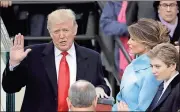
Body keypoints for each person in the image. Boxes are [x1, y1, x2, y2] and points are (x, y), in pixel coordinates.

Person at [2, 9, 110, 112]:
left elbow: (102, 85)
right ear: (50, 32)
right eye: (57, 31)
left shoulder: (92, 57)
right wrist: (14, 64)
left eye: (66, 30)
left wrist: (100, 89)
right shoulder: (32, 55)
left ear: (75, 29)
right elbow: (10, 87)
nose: (62, 36)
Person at [113, 18, 170, 111]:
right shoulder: (132, 66)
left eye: (133, 39)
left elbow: (147, 109)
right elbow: (120, 99)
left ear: (146, 43)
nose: (128, 42)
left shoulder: (153, 73)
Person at [146, 43, 180, 112]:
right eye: (151, 66)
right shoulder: (162, 85)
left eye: (157, 66)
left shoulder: (178, 90)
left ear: (172, 66)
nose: (153, 71)